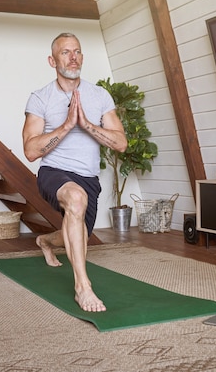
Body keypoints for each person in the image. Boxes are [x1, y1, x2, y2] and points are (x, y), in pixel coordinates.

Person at [22, 33, 127, 312]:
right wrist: (67, 125)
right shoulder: (40, 98)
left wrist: (87, 125)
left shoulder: (100, 95)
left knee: (78, 233)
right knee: (76, 200)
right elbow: (31, 151)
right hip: (54, 173)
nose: (73, 57)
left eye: (77, 51)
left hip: (88, 178)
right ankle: (83, 287)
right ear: (52, 60)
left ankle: (45, 240)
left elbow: (121, 143)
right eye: (65, 52)